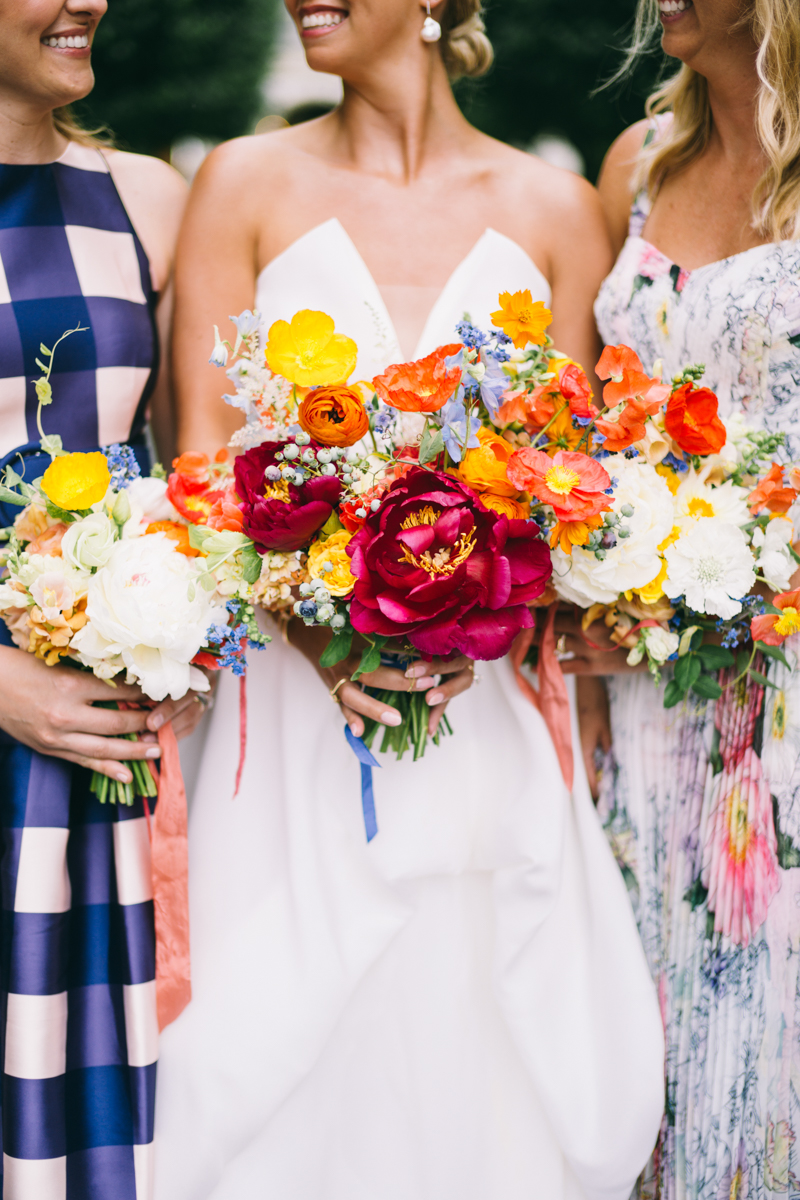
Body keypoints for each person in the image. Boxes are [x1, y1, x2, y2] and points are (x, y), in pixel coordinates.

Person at [153, 2, 665, 1198]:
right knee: (280, 1052)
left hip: (481, 705)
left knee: (473, 1041)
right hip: (291, 711)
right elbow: (200, 469)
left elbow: (577, 478)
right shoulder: (242, 181)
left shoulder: (551, 209)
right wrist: (331, 639)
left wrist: (494, 599)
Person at [567, 0, 800, 1193]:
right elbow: (603, 421)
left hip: (783, 694)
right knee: (641, 1010)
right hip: (643, 696)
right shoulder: (637, 165)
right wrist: (598, 582)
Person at [0, 1, 205, 1195]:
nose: (84, 0)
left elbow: (200, 470)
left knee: (92, 1084)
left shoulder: (147, 197)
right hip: (23, 712)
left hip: (106, 747)